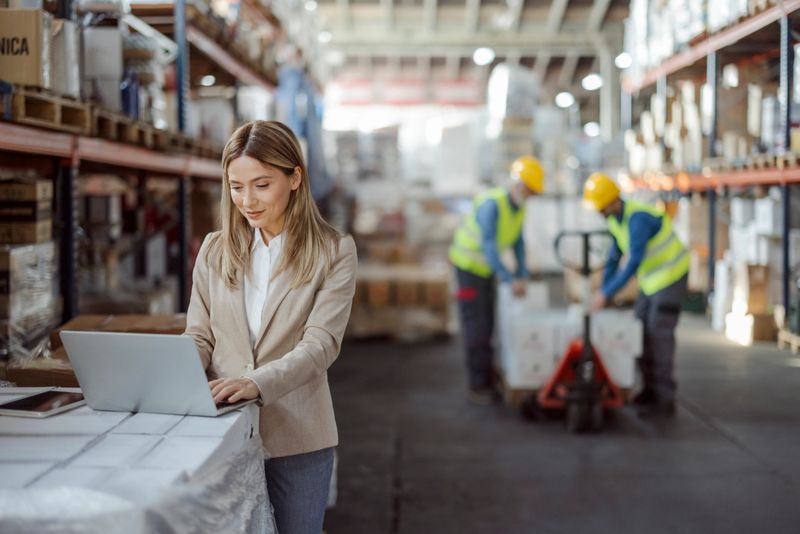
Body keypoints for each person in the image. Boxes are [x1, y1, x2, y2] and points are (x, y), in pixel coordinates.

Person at [184, 120, 357, 533]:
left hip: (296, 436)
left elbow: (321, 345)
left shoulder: (334, 251)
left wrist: (257, 383)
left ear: (294, 177)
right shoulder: (214, 248)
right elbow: (200, 335)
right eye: (236, 186)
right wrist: (176, 375)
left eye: (262, 185)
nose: (247, 200)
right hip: (221, 430)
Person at [582, 172, 688, 417]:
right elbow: (614, 257)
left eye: (600, 207)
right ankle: (649, 390)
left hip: (671, 276)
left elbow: (632, 263)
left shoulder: (637, 218)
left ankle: (664, 400)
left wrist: (606, 294)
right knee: (639, 332)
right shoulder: (615, 220)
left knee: (658, 336)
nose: (599, 213)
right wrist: (603, 287)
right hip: (652, 281)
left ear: (612, 202)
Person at [448, 156, 545, 405]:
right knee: (476, 327)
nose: (530, 196)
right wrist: (508, 277)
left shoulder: (518, 208)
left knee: (489, 324)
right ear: (518, 184)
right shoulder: (492, 205)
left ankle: (490, 377)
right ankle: (478, 385)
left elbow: (518, 242)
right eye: (530, 190)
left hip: (487, 271)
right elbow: (490, 246)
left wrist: (522, 272)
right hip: (468, 271)